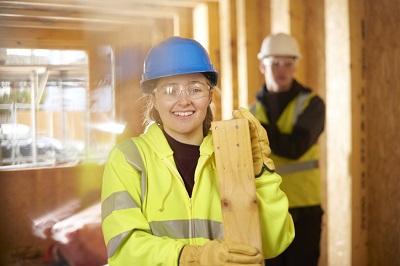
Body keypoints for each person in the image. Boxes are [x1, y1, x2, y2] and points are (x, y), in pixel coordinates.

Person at [101, 36, 294, 265]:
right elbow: (124, 250)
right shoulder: (129, 159)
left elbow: (274, 242)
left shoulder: (231, 154)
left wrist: (261, 174)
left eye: (195, 89)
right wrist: (193, 258)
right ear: (153, 98)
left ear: (210, 95)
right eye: (170, 90)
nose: (184, 101)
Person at [250, 32, 325, 266]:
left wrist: (258, 129)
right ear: (262, 66)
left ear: (295, 66)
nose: (282, 70)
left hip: (304, 209)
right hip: (266, 209)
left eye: (288, 63)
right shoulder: (252, 111)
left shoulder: (312, 104)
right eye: (275, 63)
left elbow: (296, 147)